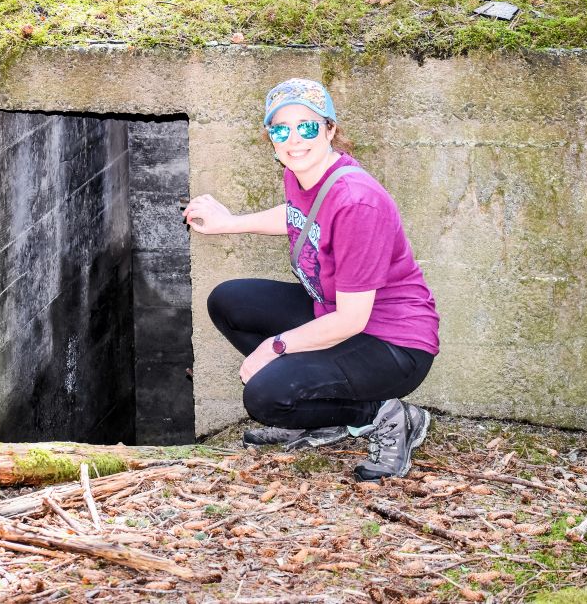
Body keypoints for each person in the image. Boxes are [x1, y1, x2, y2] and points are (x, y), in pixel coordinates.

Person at [182, 78, 440, 480]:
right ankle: (317, 411)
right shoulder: (300, 173)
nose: (294, 140)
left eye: (306, 126)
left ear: (329, 129)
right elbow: (298, 216)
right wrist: (228, 223)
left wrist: (276, 347)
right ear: (271, 136)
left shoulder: (357, 201)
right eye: (281, 130)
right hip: (337, 314)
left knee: (264, 397)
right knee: (229, 302)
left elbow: (352, 320)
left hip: (393, 343)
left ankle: (387, 416)